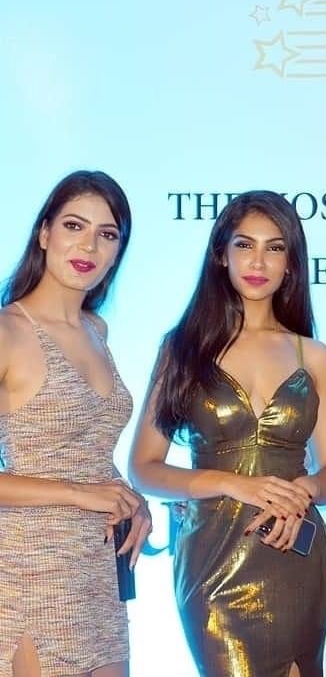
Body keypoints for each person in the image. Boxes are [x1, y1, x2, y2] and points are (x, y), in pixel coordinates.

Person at [129, 191, 326, 677]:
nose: (258, 261)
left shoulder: (313, 355)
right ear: (221, 255)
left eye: (275, 247)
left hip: (295, 553)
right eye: (245, 245)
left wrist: (305, 492)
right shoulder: (182, 349)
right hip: (213, 559)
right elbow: (144, 467)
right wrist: (232, 483)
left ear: (291, 263)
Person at [0, 171, 152, 677]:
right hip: (30, 570)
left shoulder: (96, 329)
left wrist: (129, 498)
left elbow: (89, 450)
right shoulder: (8, 331)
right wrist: (80, 493)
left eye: (107, 234)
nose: (89, 245)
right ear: (44, 233)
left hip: (98, 570)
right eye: (74, 225)